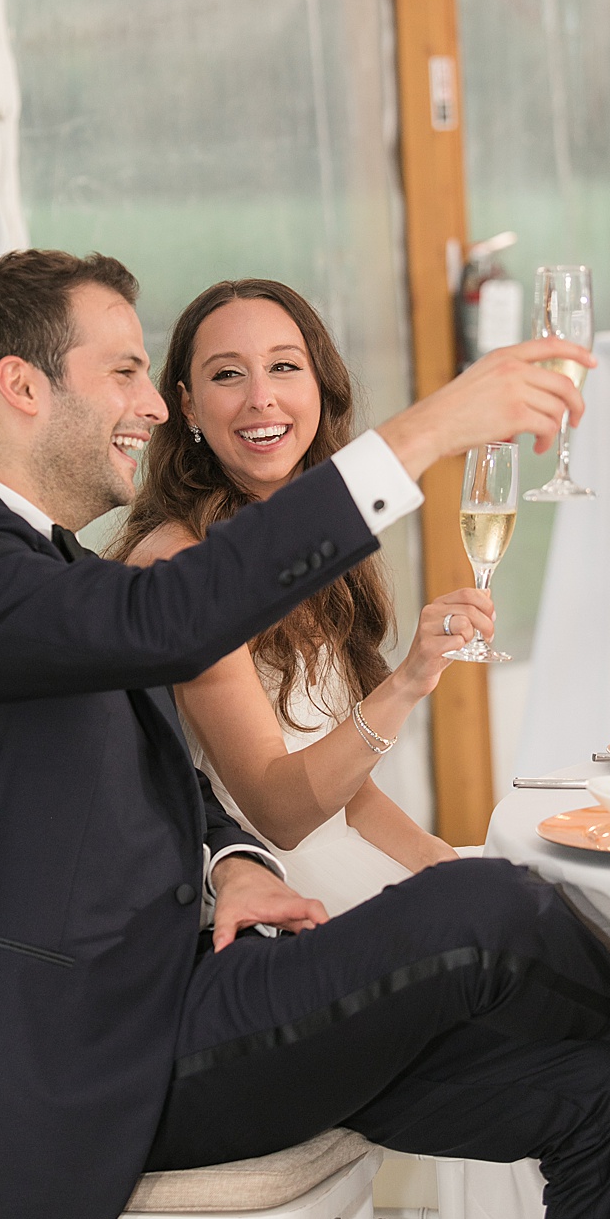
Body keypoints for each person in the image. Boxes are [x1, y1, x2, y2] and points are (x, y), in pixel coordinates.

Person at [0, 249, 610, 1219]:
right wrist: (428, 431)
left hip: (189, 995)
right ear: (22, 386)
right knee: (483, 901)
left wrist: (232, 855)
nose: (153, 404)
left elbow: (168, 772)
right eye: (128, 372)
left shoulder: (42, 570)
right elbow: (173, 617)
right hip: (95, 1063)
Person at [110, 279, 479, 913]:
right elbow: (281, 812)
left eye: (284, 366)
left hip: (336, 854)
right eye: (228, 375)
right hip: (260, 889)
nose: (261, 398)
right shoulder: (181, 564)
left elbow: (345, 789)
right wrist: (410, 680)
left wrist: (437, 861)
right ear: (188, 406)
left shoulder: (315, 543)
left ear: (319, 386)